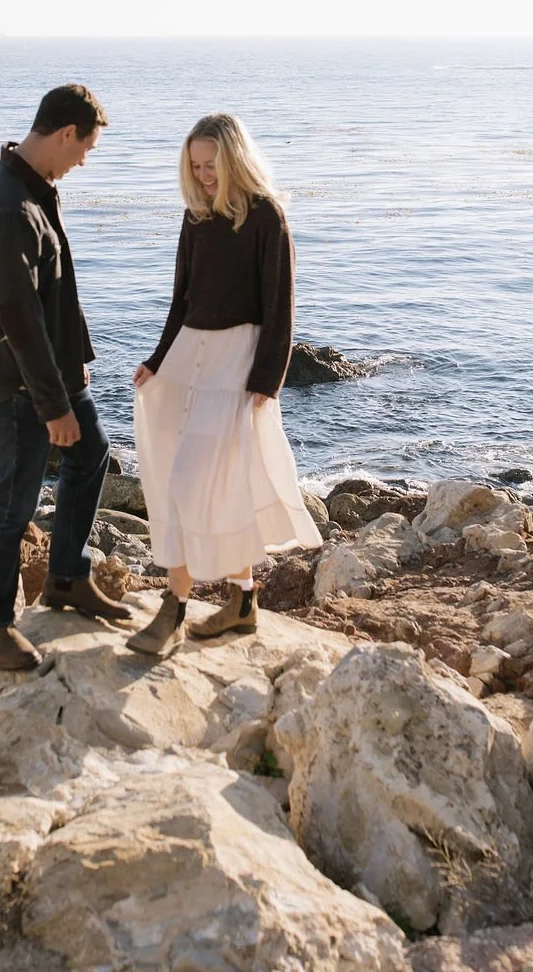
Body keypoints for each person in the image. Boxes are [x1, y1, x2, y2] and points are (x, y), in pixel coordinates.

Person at [128, 112, 322, 658]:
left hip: (236, 363)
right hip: (188, 354)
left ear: (235, 159)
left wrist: (268, 379)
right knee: (175, 473)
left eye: (211, 165)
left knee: (194, 482)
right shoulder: (194, 217)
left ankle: (174, 607)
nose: (204, 175)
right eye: (195, 166)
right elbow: (180, 300)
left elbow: (279, 306)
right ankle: (243, 599)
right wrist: (157, 360)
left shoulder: (266, 217)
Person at [0, 83, 131, 671]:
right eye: (85, 148)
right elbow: (19, 319)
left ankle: (65, 577)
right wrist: (53, 406)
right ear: (66, 134)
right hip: (22, 383)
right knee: (15, 499)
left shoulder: (36, 187)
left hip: (59, 371)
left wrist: (76, 360)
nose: (84, 160)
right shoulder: (9, 205)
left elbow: (52, 292)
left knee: (93, 454)